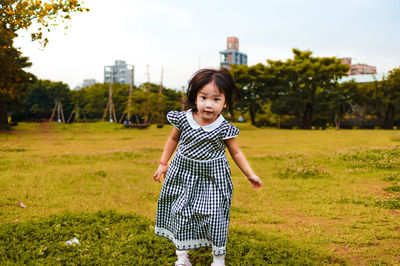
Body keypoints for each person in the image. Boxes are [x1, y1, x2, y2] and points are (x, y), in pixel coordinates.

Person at [153, 68, 262, 266]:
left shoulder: (224, 128)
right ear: (195, 97)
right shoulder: (183, 119)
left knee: (215, 215)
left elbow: (236, 153)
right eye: (204, 97)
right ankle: (182, 257)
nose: (209, 105)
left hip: (213, 178)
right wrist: (163, 164)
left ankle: (218, 258)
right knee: (182, 213)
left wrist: (250, 174)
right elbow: (172, 139)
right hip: (182, 174)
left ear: (225, 102)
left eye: (216, 99)